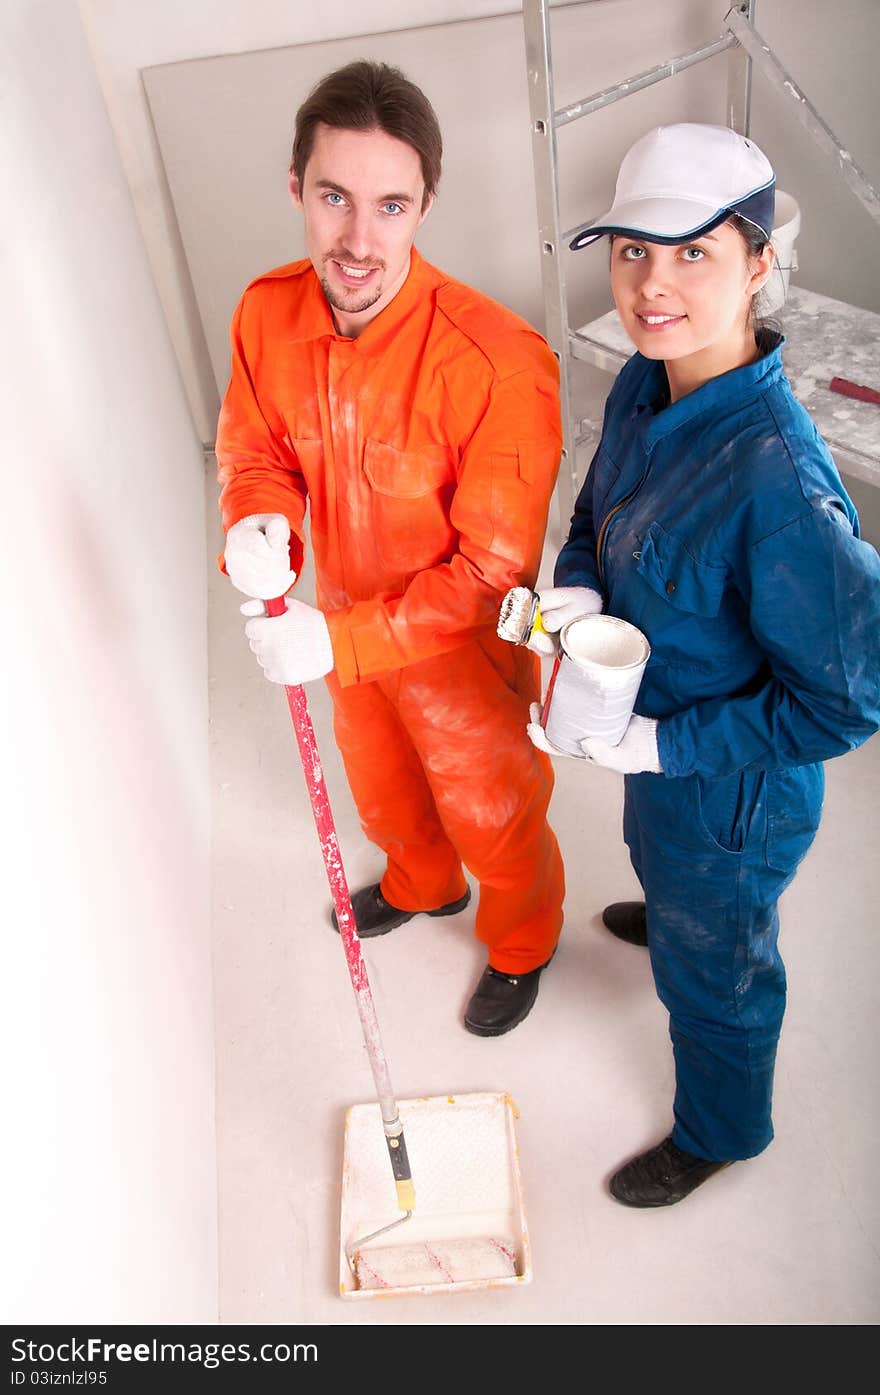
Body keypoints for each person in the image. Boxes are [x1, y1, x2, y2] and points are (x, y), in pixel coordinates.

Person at [528, 123, 880, 1204]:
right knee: (659, 863)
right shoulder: (646, 380)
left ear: (760, 262)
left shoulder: (778, 484)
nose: (651, 282)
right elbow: (598, 502)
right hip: (658, 770)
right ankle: (673, 910)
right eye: (632, 249)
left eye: (693, 252)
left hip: (728, 799)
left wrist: (662, 741)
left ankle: (724, 1127)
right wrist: (577, 578)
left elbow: (847, 704)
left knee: (717, 976)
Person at [216, 60, 566, 1036]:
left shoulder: (498, 363)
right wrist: (257, 517)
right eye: (334, 198)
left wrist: (344, 642)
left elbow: (492, 572)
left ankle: (520, 942)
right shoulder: (265, 312)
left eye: (390, 205)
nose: (358, 240)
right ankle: (420, 886)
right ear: (297, 190)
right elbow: (258, 450)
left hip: (457, 655)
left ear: (424, 205)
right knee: (381, 788)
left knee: (493, 814)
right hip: (340, 631)